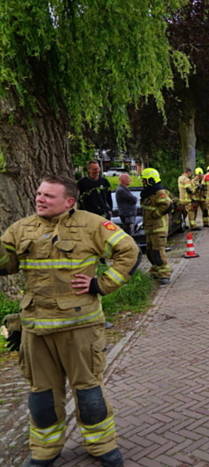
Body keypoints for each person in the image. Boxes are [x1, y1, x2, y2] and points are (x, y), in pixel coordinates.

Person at [0, 175, 139, 467]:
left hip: (80, 327)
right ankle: (45, 450)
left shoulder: (92, 224)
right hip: (35, 329)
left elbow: (129, 251)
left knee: (88, 392)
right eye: (39, 193)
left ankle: (101, 445)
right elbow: (6, 265)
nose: (40, 199)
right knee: (42, 396)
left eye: (48, 196)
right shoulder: (21, 228)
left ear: (69, 201)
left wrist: (100, 285)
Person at [140, 168, 174, 284]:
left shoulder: (159, 192)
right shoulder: (149, 193)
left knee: (157, 252)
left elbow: (168, 205)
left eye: (144, 180)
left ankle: (165, 274)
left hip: (158, 227)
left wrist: (155, 215)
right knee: (150, 252)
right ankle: (155, 271)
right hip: (149, 227)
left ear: (151, 180)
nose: (143, 183)